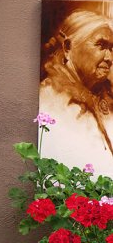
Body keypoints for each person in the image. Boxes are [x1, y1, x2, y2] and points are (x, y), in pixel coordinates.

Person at [40, 10, 113, 177]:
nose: (109, 57)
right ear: (67, 48)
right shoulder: (50, 101)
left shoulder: (106, 99)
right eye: (101, 45)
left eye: (111, 48)